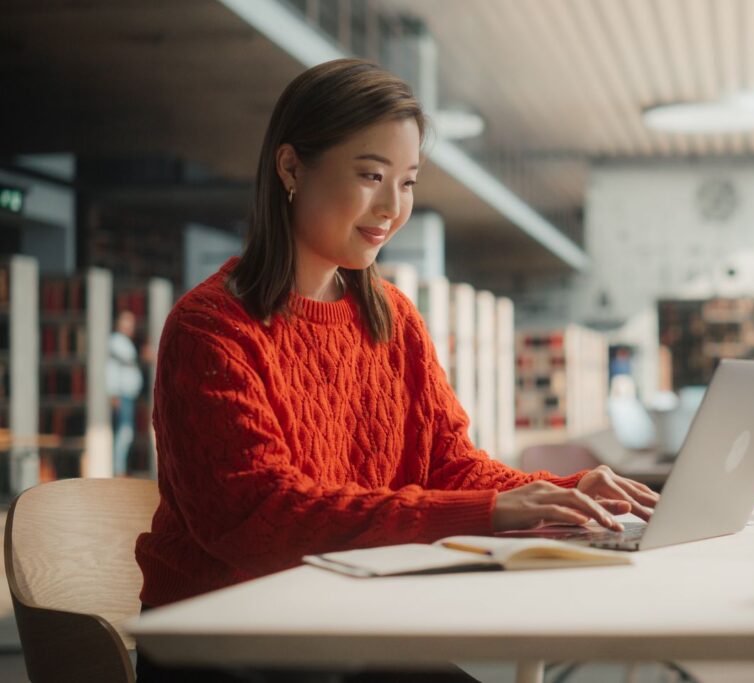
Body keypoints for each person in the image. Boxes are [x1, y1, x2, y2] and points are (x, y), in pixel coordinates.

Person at [134, 58, 658, 683]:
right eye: (371, 175)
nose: (392, 206)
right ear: (291, 167)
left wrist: (561, 494)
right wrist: (494, 509)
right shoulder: (211, 326)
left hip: (349, 620)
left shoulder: (391, 317)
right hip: (227, 640)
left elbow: (448, 463)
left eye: (407, 182)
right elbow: (258, 516)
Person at [107, 309, 143, 477]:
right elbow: (112, 370)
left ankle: (120, 467)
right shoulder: (115, 341)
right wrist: (113, 393)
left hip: (127, 396)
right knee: (124, 433)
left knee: (126, 433)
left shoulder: (125, 342)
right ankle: (118, 469)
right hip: (121, 395)